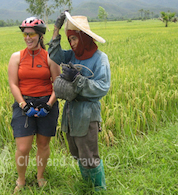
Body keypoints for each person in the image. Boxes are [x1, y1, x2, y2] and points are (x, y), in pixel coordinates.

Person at [48, 11, 111, 191]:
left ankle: (99, 189)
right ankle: (87, 185)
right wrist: (56, 29)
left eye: (75, 39)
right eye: (70, 40)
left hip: (87, 113)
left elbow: (103, 86)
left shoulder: (100, 59)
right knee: (77, 152)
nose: (72, 44)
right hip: (71, 113)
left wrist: (79, 81)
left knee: (89, 154)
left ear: (83, 38)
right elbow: (54, 54)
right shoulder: (73, 56)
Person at [8, 17, 61, 193]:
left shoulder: (49, 57)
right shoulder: (16, 57)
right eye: (25, 34)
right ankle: (21, 181)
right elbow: (13, 84)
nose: (27, 38)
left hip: (46, 102)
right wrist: (23, 105)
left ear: (40, 36)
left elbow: (58, 84)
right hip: (24, 102)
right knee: (23, 147)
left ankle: (40, 177)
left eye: (31, 34)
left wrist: (48, 105)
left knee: (43, 144)